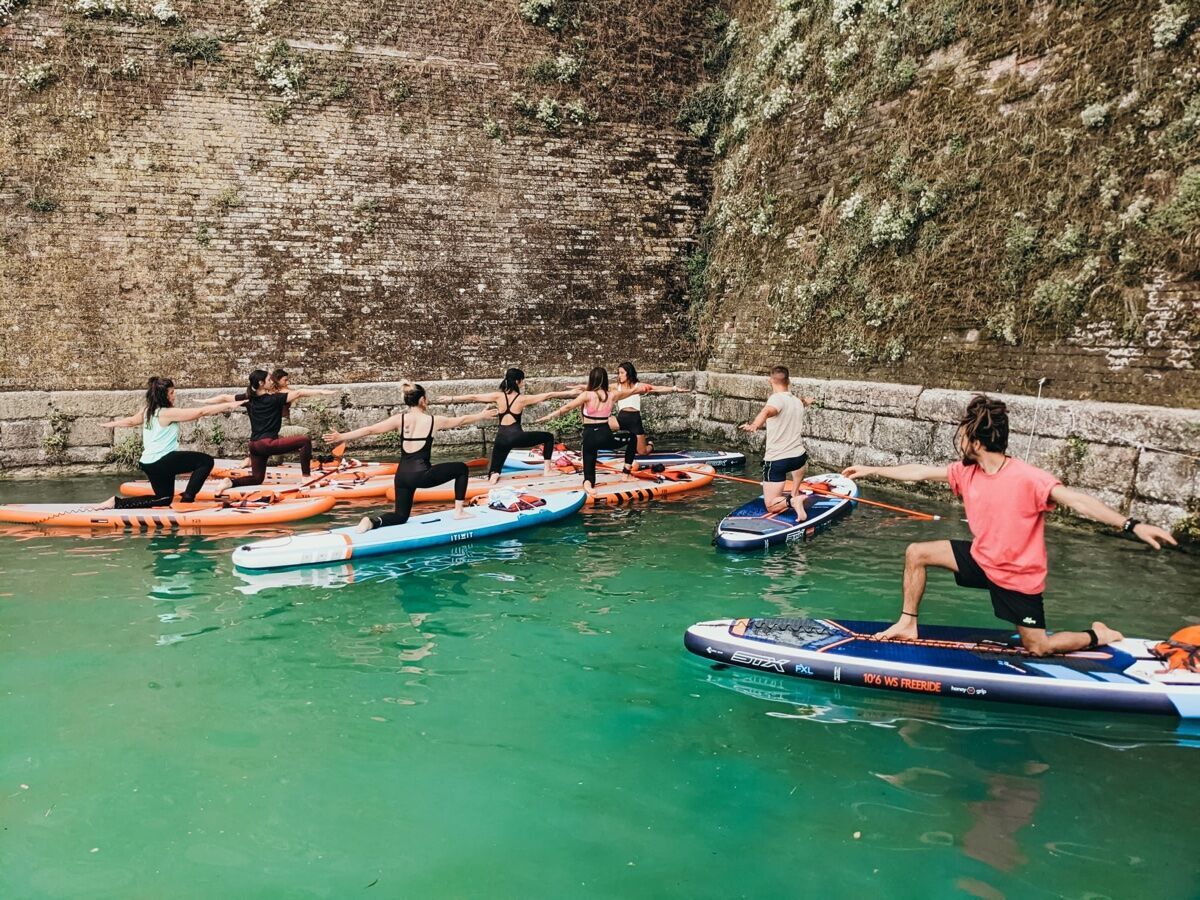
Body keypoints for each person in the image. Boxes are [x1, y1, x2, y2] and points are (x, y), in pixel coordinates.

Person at [842, 394, 1177, 656]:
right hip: (982, 558)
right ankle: (907, 623)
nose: (958, 443)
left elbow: (1078, 501)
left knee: (1039, 647)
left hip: (1018, 577)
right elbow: (919, 471)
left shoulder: (1027, 478)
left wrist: (1131, 524)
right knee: (917, 552)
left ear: (975, 442)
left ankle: (1099, 634)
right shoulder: (966, 472)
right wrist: (872, 470)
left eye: (962, 438)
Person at [323, 382, 497, 532]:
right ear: (422, 400)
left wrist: (341, 437)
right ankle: (459, 511)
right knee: (461, 468)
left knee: (400, 515)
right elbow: (461, 420)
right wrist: (481, 415)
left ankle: (372, 522)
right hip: (422, 475)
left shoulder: (400, 419)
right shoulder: (434, 420)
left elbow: (370, 430)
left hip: (402, 477)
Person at [96, 377, 245, 508]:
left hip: (149, 463)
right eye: (172, 392)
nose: (174, 396)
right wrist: (228, 405)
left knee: (164, 499)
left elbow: (131, 421)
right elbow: (201, 412)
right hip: (162, 460)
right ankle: (188, 498)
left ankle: (116, 503)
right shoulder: (167, 413)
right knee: (205, 461)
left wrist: (112, 424)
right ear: (164, 395)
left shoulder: (148, 411)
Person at [432, 368, 580, 482]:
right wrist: (571, 393)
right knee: (548, 437)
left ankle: (493, 476)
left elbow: (474, 396)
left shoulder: (498, 397)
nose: (523, 383)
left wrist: (450, 397)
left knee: (495, 469)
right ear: (517, 382)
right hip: (516, 436)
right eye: (522, 380)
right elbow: (549, 395)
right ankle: (547, 470)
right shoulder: (523, 399)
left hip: (501, 438)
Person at [222, 370, 339, 487]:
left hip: (254, 446)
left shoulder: (249, 398)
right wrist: (321, 391)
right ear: (261, 383)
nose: (271, 381)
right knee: (304, 441)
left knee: (257, 478)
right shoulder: (274, 399)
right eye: (269, 380)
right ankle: (306, 477)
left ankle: (231, 482)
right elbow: (299, 393)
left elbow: (224, 397)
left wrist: (205, 401)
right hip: (266, 444)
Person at [535, 367, 638, 494]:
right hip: (605, 436)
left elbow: (567, 407)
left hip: (589, 438)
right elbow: (633, 390)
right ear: (605, 380)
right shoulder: (613, 395)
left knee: (589, 468)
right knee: (632, 437)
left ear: (591, 379)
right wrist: (651, 388)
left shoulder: (586, 395)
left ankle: (589, 484)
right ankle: (626, 474)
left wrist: (549, 416)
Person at [739, 365, 816, 520]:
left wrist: (755, 424)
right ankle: (795, 491)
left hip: (777, 460)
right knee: (802, 460)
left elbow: (767, 411)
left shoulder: (775, 399)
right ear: (789, 381)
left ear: (770, 381)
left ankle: (793, 500)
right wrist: (806, 402)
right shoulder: (796, 401)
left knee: (771, 505)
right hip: (799, 459)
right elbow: (798, 402)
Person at [614, 361, 689, 455]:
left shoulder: (639, 386)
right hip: (621, 419)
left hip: (634, 421)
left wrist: (674, 389)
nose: (619, 375)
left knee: (642, 452)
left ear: (628, 373)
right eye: (618, 373)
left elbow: (657, 388)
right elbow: (598, 388)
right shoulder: (616, 387)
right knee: (602, 425)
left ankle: (651, 445)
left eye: (621, 373)